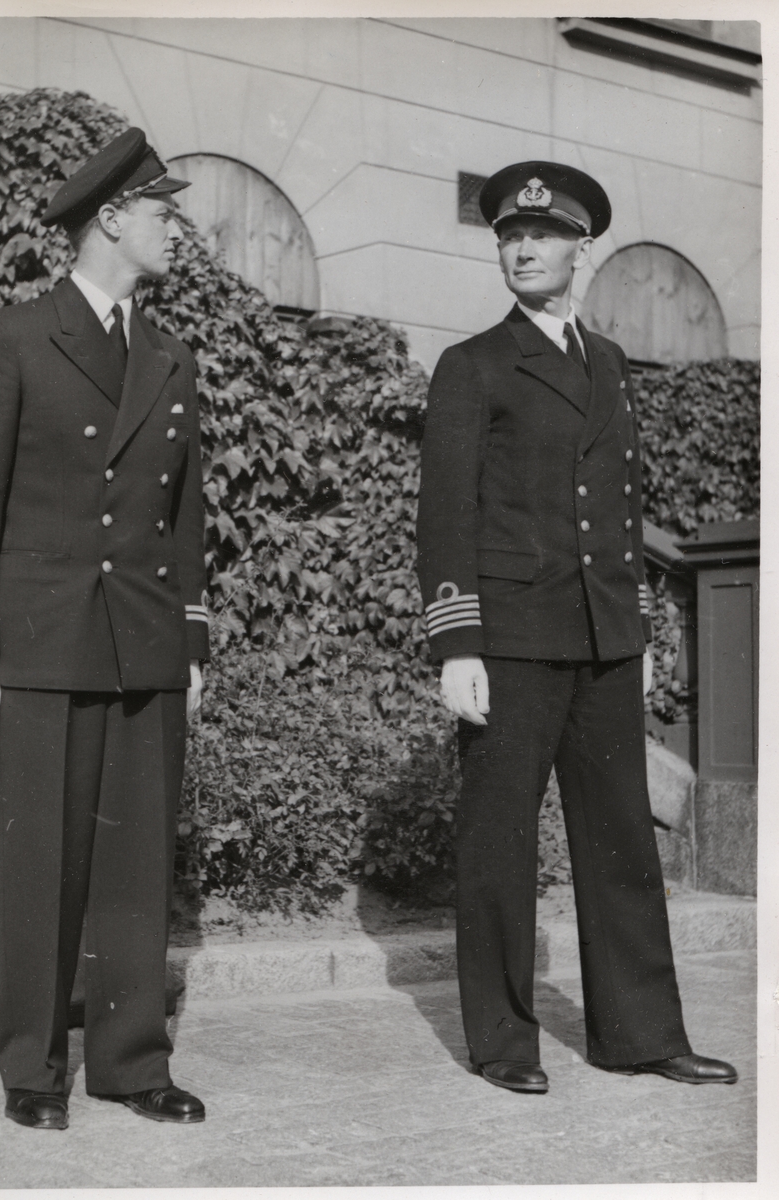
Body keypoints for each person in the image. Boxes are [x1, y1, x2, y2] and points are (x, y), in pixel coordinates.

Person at [416, 161, 737, 1095]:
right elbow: (446, 515)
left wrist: (636, 631)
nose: (523, 250)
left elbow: (618, 511)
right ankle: (503, 1042)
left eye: (543, 237)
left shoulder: (609, 363)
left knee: (621, 842)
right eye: (510, 237)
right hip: (511, 639)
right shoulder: (474, 364)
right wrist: (456, 644)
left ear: (579, 249)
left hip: (603, 639)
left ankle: (641, 1035)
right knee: (500, 844)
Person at [0, 128, 210, 1129]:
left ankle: (132, 1063)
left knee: (137, 866)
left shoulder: (170, 356)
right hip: (40, 643)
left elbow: (183, 517)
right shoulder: (9, 339)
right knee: (39, 864)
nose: (176, 229)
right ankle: (34, 1071)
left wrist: (191, 644)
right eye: (163, 212)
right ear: (111, 220)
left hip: (143, 639)